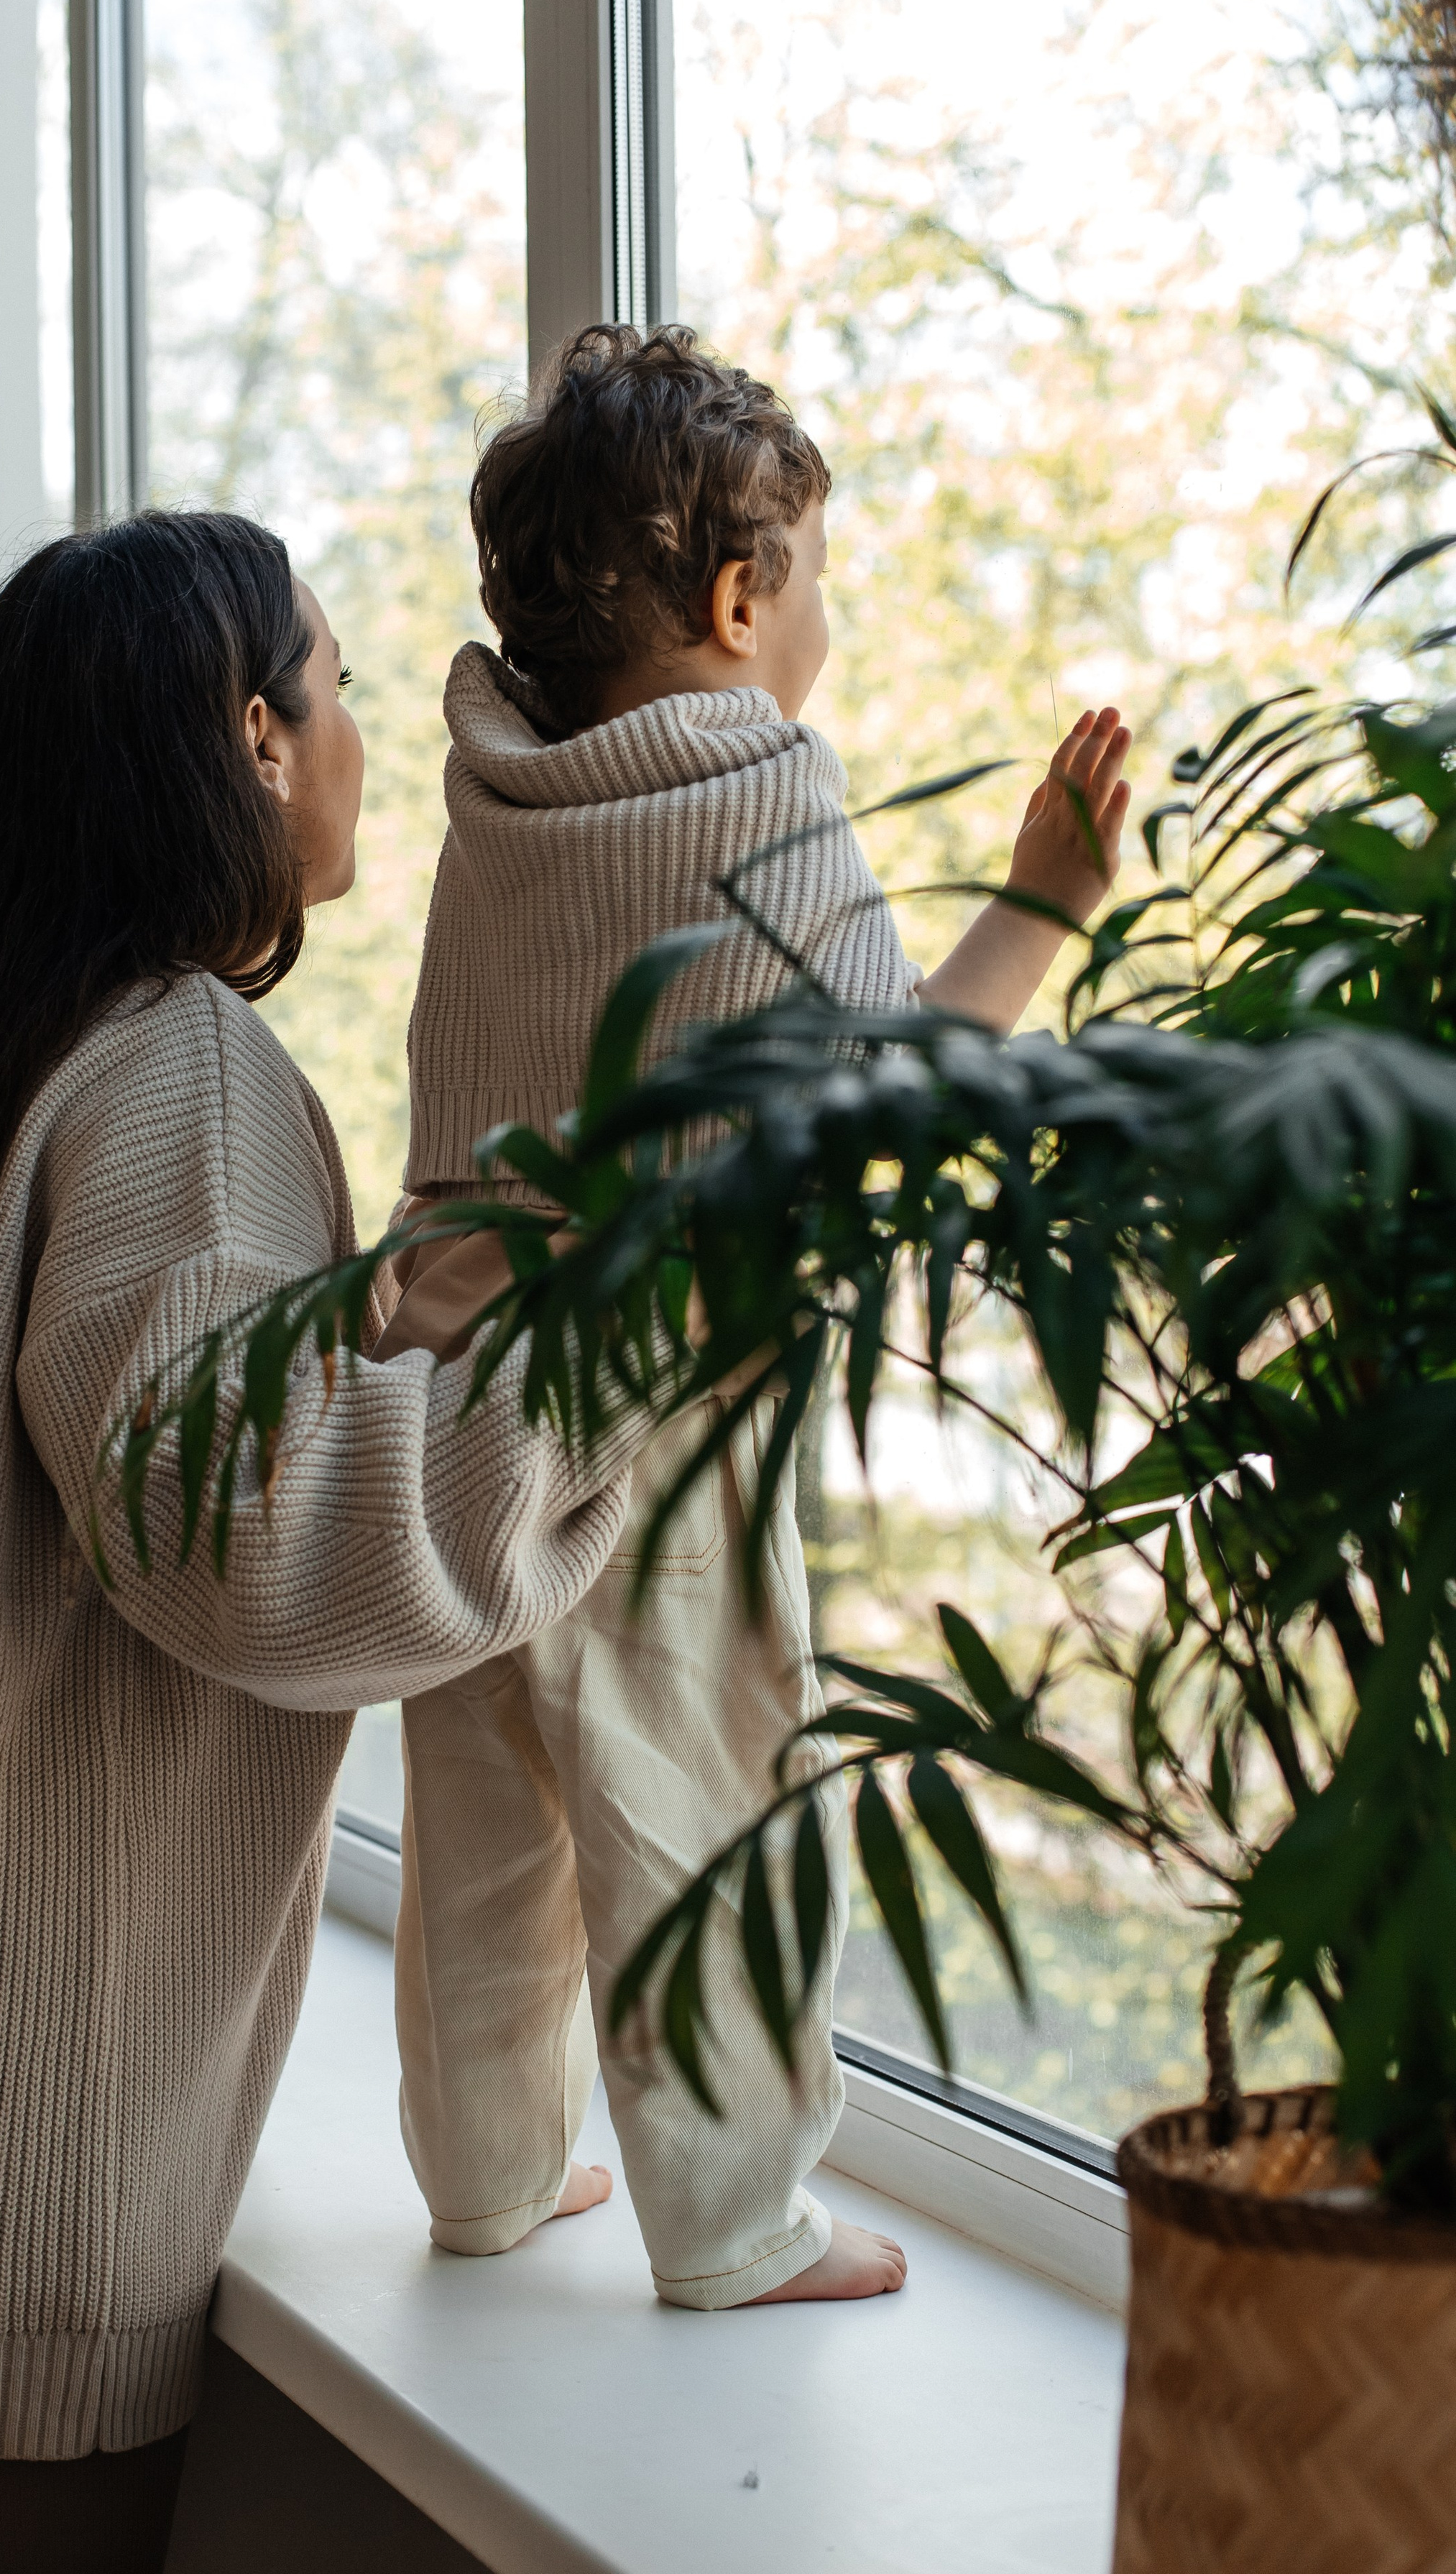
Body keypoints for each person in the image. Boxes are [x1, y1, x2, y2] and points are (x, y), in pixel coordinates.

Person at [0, 511, 657, 2572]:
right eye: (348, 678)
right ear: (254, 734)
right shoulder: (188, 1074)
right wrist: (624, 1374)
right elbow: (263, 1542)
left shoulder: (15, 1039)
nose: (372, 726)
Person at [379, 323, 1131, 2312]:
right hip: (645, 1390)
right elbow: (890, 1092)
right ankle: (732, 2225)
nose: (822, 625)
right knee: (694, 1791)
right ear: (738, 597)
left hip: (439, 1365)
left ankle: (483, 2181)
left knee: (480, 1825)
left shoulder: (497, 788)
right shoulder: (758, 782)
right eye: (814, 577)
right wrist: (1046, 901)